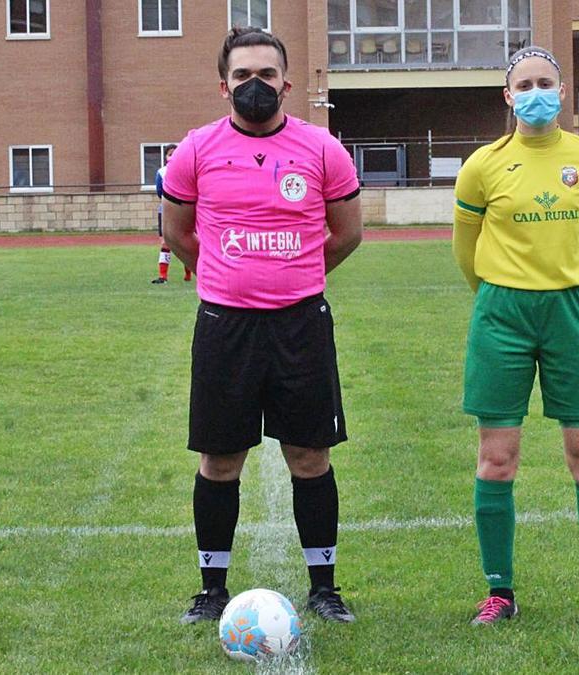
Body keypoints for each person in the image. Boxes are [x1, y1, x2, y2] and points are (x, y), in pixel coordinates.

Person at [161, 27, 363, 625]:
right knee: (220, 459)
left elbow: (347, 232)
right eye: (244, 76)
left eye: (267, 75)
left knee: (310, 456)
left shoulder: (321, 148)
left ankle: (324, 588)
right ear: (224, 86)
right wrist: (220, 272)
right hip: (226, 327)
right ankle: (210, 589)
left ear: (287, 84)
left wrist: (298, 271)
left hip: (301, 325)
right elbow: (176, 233)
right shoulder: (196, 149)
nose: (256, 86)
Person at [452, 46, 579, 625]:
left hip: (572, 311)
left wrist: (567, 279)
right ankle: (499, 594)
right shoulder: (482, 164)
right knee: (497, 460)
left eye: (546, 82)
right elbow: (467, 250)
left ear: (562, 92)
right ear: (508, 96)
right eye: (525, 84)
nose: (537, 92)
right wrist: (500, 291)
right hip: (501, 314)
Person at [152, 145, 193, 284]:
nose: (172, 156)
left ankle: (188, 274)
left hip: (185, 211)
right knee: (165, 242)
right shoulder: (162, 172)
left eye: (175, 153)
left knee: (187, 241)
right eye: (170, 154)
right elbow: (159, 192)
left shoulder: (187, 170)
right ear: (165, 157)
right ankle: (162, 276)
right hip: (165, 211)